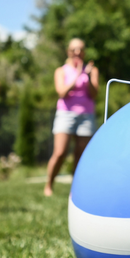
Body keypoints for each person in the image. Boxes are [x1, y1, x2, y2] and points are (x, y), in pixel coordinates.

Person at [44, 38, 100, 197]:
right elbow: (61, 92)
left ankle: (75, 190)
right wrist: (77, 74)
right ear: (68, 52)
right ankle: (49, 185)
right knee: (60, 153)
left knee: (81, 155)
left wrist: (87, 76)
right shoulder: (61, 71)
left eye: (81, 49)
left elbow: (94, 94)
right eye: (74, 49)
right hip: (65, 114)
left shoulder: (92, 71)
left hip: (86, 115)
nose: (77, 53)